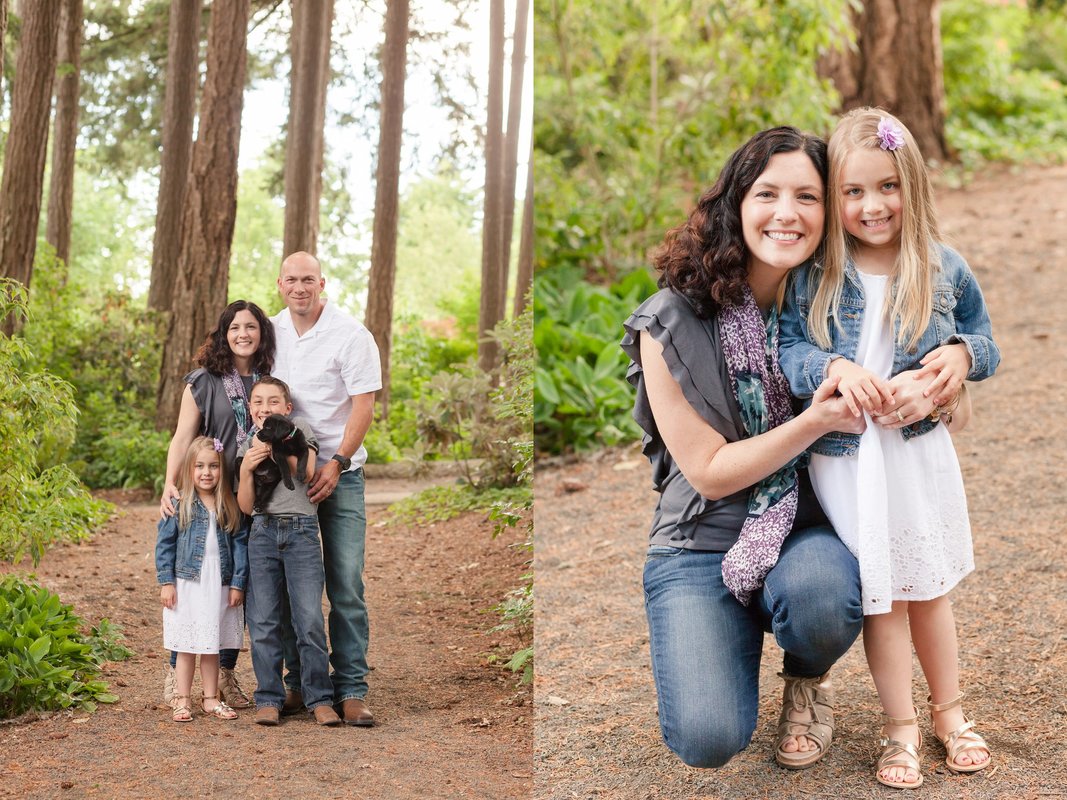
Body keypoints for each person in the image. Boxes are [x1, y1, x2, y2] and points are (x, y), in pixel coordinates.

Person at [621, 127, 866, 771]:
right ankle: (725, 635)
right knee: (707, 738)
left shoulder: (842, 307)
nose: (787, 214)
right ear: (735, 203)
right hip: (703, 538)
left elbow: (931, 327)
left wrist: (952, 362)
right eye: (768, 193)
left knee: (818, 597)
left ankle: (807, 675)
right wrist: (814, 421)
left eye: (807, 197)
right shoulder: (671, 318)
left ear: (828, 213)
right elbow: (708, 472)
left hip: (809, 530)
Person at [778, 108, 999, 789]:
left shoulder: (941, 266)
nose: (871, 206)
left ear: (912, 184)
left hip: (914, 454)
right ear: (834, 197)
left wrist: (957, 361)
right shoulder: (813, 274)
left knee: (928, 588)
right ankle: (898, 726)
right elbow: (789, 349)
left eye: (886, 187)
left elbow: (983, 340)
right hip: (850, 463)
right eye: (852, 192)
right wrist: (830, 370)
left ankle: (949, 714)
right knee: (884, 596)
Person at [270, 251, 381, 726]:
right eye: (292, 279)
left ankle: (351, 688)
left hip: (341, 476)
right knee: (293, 587)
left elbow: (364, 405)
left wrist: (336, 463)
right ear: (280, 284)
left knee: (345, 584)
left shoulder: (351, 335)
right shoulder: (268, 332)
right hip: (283, 479)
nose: (300, 287)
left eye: (308, 279)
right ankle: (300, 683)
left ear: (322, 283)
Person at [158, 300, 275, 710]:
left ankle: (224, 674)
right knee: (197, 585)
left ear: (262, 333)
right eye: (234, 328)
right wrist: (170, 483)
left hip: (261, 498)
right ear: (223, 334)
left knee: (231, 590)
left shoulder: (269, 380)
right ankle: (177, 677)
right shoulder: (203, 381)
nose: (243, 334)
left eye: (251, 327)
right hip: (214, 498)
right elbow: (181, 436)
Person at [237, 377, 342, 727]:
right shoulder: (247, 443)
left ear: (287, 407)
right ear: (250, 409)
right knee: (264, 620)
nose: (265, 408)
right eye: (257, 402)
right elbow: (247, 507)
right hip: (263, 532)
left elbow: (308, 472)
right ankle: (269, 697)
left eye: (273, 402)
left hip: (301, 533)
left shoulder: (299, 428)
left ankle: (319, 697)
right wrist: (247, 467)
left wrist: (283, 445)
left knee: (308, 618)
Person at [155, 436, 248, 722]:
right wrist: (166, 582)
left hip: (218, 584)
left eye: (213, 466)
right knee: (186, 646)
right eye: (199, 466)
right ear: (189, 469)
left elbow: (240, 544)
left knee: (212, 645)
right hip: (187, 584)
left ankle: (211, 698)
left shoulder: (228, 504)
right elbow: (165, 544)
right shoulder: (179, 503)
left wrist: (237, 583)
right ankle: (182, 699)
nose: (206, 473)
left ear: (222, 470)